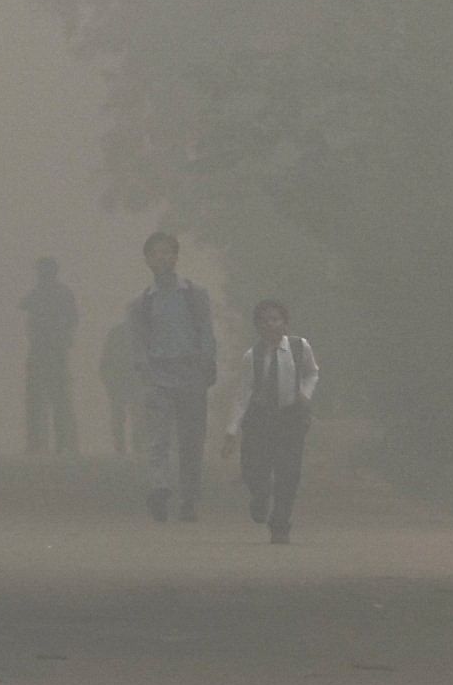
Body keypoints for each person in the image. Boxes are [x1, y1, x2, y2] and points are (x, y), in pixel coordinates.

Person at [128, 231, 217, 523]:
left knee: (191, 441)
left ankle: (189, 499)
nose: (162, 257)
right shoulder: (141, 302)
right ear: (147, 260)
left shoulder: (195, 295)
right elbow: (138, 341)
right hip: (157, 377)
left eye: (167, 252)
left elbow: (206, 332)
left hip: (191, 375)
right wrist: (144, 368)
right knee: (158, 439)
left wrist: (206, 366)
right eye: (155, 253)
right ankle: (160, 488)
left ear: (176, 257)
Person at [221, 300, 319, 544]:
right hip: (260, 420)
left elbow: (312, 372)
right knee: (254, 468)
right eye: (265, 320)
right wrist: (231, 430)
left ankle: (281, 523)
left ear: (285, 323)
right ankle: (260, 496)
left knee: (289, 473)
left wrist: (305, 395)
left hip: (289, 418)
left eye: (276, 319)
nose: (271, 324)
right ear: (258, 326)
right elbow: (243, 394)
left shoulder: (299, 347)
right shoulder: (251, 356)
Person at [19, 256, 79, 455]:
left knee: (44, 399)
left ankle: (41, 442)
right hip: (52, 351)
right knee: (57, 399)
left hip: (45, 351)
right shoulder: (61, 293)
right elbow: (73, 318)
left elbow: (22, 304)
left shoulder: (43, 293)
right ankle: (58, 442)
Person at [98, 315, 140, 457]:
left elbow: (105, 359)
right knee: (133, 414)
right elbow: (106, 358)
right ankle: (133, 446)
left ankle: (123, 447)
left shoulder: (116, 333)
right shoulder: (142, 333)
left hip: (123, 380)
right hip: (126, 380)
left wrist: (106, 378)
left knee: (124, 414)